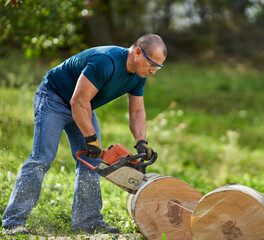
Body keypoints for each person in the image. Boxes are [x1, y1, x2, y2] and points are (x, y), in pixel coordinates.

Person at [2, 33, 167, 235]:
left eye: (157, 67)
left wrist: (141, 141)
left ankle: (87, 221)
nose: (153, 72)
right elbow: (78, 101)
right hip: (53, 98)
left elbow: (137, 111)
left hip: (82, 105)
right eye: (152, 65)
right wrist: (91, 138)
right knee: (42, 158)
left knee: (93, 160)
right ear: (138, 53)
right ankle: (13, 222)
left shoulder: (138, 76)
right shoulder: (106, 62)